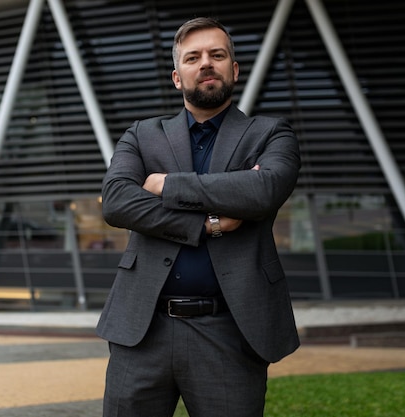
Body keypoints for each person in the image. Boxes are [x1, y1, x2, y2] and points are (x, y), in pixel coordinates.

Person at [97, 17, 301, 417]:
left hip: (229, 330)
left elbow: (263, 191)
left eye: (217, 55)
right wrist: (208, 222)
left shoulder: (271, 133)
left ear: (234, 69)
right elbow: (117, 201)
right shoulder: (141, 135)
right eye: (193, 57)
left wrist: (166, 184)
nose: (205, 63)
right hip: (142, 331)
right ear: (178, 76)